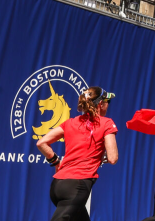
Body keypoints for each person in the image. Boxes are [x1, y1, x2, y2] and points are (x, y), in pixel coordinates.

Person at [36, 86, 118, 221]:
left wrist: (56, 161)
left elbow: (41, 143)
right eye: (108, 101)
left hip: (57, 186)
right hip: (76, 188)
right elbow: (113, 158)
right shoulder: (107, 123)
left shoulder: (70, 122)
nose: (108, 105)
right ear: (101, 104)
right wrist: (102, 157)